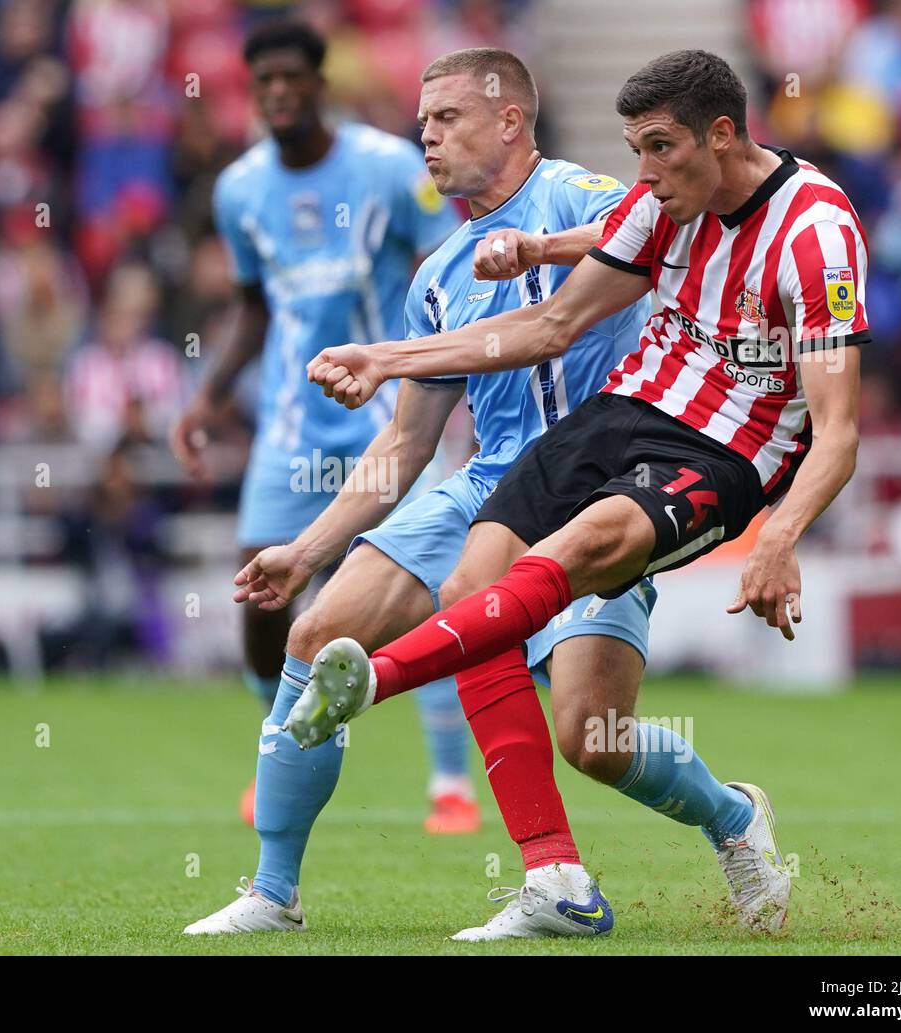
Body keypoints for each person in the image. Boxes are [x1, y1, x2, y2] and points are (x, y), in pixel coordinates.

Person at [294, 49, 870, 936]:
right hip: (625, 413)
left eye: (660, 149)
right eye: (635, 148)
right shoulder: (660, 201)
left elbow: (836, 431)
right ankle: (558, 882)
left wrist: (780, 537)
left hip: (727, 452)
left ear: (721, 135)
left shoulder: (815, 234)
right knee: (495, 611)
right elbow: (549, 323)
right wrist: (385, 359)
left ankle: (378, 678)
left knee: (585, 562)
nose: (642, 174)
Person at [185, 46, 653, 939]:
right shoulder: (438, 275)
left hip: (603, 489)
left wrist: (541, 248)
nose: (426, 138)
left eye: (447, 120)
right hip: (485, 485)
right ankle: (274, 890)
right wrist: (304, 550)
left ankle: (733, 817)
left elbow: (650, 227)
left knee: (597, 741)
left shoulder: (575, 198)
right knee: (318, 634)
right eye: (422, 122)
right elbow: (403, 447)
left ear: (510, 119)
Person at [167, 21, 471, 831]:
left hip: (386, 422)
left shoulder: (390, 169)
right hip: (287, 433)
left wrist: (457, 382)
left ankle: (451, 786)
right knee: (262, 605)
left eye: (291, 78)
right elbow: (255, 308)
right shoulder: (239, 190)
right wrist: (207, 398)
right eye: (262, 81)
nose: (277, 93)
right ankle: (279, 751)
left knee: (426, 594)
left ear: (318, 81)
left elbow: (450, 271)